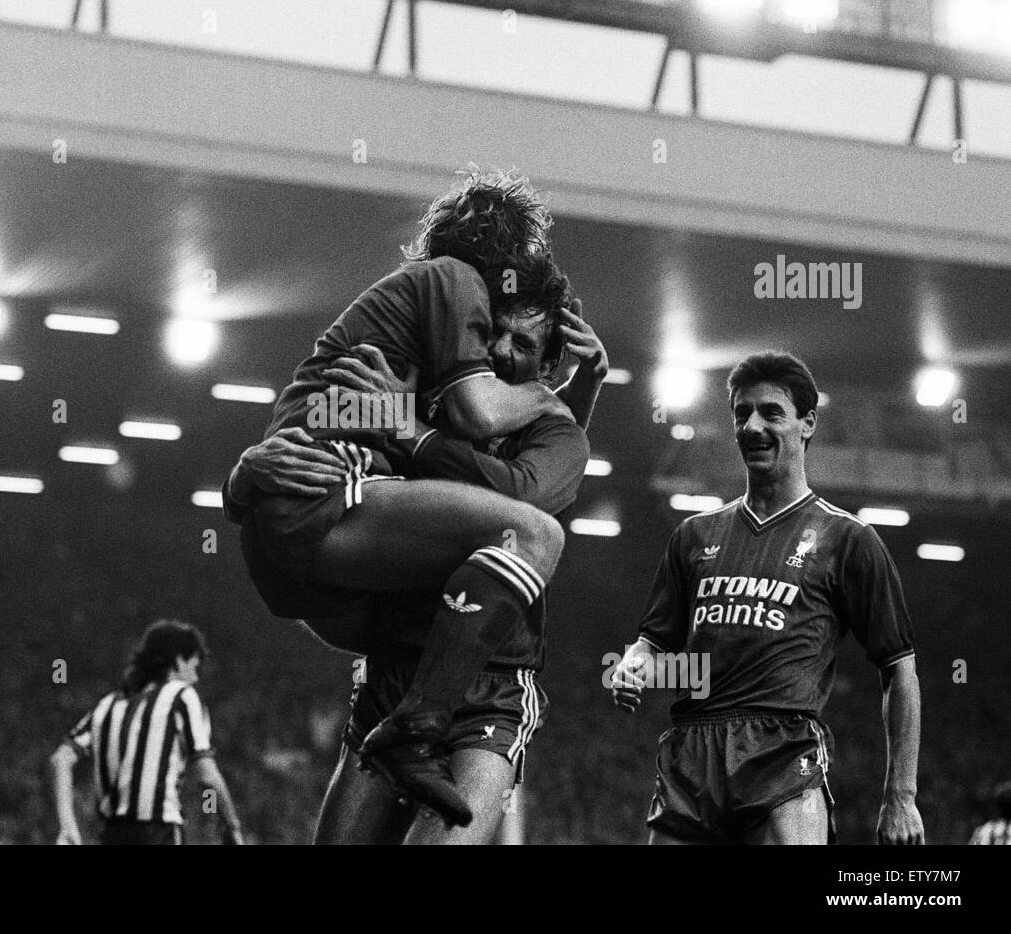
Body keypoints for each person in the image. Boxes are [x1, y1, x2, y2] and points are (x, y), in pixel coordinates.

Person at [224, 171, 578, 827]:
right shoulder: (421, 379)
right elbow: (313, 425)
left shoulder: (554, 428)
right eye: (492, 332)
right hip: (390, 672)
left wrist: (406, 435)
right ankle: (408, 720)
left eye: (523, 345)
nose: (499, 349)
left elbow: (516, 498)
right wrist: (246, 478)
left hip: (488, 691)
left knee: (531, 533)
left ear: (548, 366)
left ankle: (419, 721)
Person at [610, 351, 923, 845]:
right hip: (692, 752)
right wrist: (633, 664)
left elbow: (899, 669)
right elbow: (663, 651)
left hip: (781, 751)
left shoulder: (848, 539)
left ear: (807, 423)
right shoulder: (694, 535)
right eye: (741, 414)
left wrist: (900, 796)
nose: (752, 426)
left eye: (771, 412)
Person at [50, 620, 243, 845]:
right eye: (194, 666)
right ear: (179, 661)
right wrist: (231, 825)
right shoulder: (180, 696)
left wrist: (67, 824)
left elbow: (61, 758)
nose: (196, 677)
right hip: (158, 832)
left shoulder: (108, 704)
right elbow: (206, 775)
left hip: (111, 835)